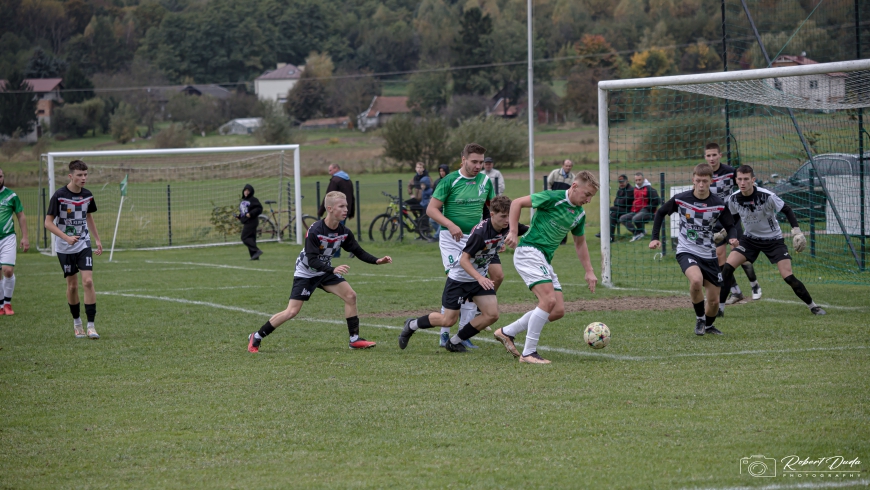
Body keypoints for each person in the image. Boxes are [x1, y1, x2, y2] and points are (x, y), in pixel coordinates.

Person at [247, 191, 393, 353]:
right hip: (306, 272)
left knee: (350, 296)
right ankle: (257, 336)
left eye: (346, 206)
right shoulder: (315, 230)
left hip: (324, 271)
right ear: (329, 208)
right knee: (292, 311)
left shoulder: (343, 232)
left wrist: (377, 260)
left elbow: (358, 251)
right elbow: (311, 260)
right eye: (342, 206)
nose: (346, 209)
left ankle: (354, 340)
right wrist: (332, 269)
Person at [399, 196, 528, 352]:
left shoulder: (509, 225)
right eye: (503, 216)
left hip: (477, 279)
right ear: (492, 214)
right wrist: (480, 277)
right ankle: (411, 324)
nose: (507, 220)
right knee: (448, 320)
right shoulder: (481, 234)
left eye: (509, 216)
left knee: (492, 315)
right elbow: (464, 261)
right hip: (460, 279)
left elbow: (529, 228)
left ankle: (455, 341)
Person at [497, 171, 600, 364]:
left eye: (591, 197)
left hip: (544, 258)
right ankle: (529, 353)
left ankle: (506, 332)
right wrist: (512, 232)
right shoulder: (553, 197)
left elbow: (580, 243)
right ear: (575, 187)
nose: (588, 200)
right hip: (529, 251)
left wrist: (589, 270)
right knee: (548, 300)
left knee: (557, 310)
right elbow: (517, 202)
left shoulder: (579, 214)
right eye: (587, 194)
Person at [720, 165, 826, 315]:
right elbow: (735, 216)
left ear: (753, 180)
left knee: (788, 277)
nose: (742, 182)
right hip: (749, 240)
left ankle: (813, 306)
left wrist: (797, 232)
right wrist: (727, 232)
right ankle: (719, 309)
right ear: (736, 180)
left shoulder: (766, 196)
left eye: (746, 179)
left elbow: (787, 210)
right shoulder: (734, 198)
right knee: (727, 269)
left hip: (773, 240)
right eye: (740, 179)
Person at [648, 163, 738, 336]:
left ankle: (709, 325)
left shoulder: (718, 204)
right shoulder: (681, 199)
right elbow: (660, 213)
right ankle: (700, 319)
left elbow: (730, 225)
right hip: (686, 250)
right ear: (693, 180)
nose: (701, 185)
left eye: (705, 181)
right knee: (696, 280)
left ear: (711, 181)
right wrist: (654, 238)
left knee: (713, 302)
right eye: (698, 181)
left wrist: (733, 237)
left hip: (709, 255)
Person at [427, 143, 497, 348]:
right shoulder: (450, 181)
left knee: (473, 282)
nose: (478, 166)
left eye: (481, 162)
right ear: (463, 160)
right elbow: (431, 210)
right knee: (455, 278)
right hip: (451, 239)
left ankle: (464, 332)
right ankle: (444, 332)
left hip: (475, 239)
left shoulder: (485, 180)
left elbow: (493, 209)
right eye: (474, 162)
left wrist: (497, 235)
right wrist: (450, 224)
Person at [44, 160, 103, 339]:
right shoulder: (59, 196)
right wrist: (66, 238)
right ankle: (77, 323)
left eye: (85, 174)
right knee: (72, 286)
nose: (83, 178)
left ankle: (91, 326)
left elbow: (88, 217)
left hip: (83, 243)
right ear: (71, 176)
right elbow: (48, 223)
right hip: (64, 247)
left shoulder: (87, 195)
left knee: (88, 282)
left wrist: (97, 239)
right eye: (79, 175)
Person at [704, 143, 761, 314]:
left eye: (714, 155)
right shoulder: (703, 174)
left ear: (720, 155)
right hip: (715, 220)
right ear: (705, 157)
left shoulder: (731, 171)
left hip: (731, 217)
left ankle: (754, 284)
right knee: (720, 258)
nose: (711, 158)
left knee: (739, 251)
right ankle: (735, 290)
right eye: (708, 155)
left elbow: (746, 184)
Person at [0, 168, 29, 315]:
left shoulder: (11, 195)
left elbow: (21, 216)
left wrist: (25, 237)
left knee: (8, 270)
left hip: (7, 237)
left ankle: (7, 303)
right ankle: (0, 306)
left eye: (0, 176)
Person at [318, 164, 355, 257]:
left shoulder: (335, 180)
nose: (329, 172)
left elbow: (328, 197)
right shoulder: (348, 180)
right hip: (346, 210)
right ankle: (351, 249)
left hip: (336, 211)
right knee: (340, 232)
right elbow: (352, 197)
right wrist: (351, 211)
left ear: (336, 169)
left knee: (336, 233)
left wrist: (321, 210)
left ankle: (337, 253)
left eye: (330, 170)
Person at [619, 172, 660, 242]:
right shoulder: (635, 189)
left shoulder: (649, 189)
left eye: (639, 180)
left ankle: (641, 232)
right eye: (636, 180)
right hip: (635, 211)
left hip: (648, 212)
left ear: (643, 179)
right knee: (622, 218)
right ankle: (637, 233)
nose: (638, 182)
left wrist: (647, 208)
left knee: (636, 218)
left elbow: (657, 201)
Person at [595, 174, 631, 242]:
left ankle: (602, 232)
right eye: (620, 182)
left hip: (628, 211)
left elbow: (623, 202)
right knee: (612, 215)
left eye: (623, 182)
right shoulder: (620, 190)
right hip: (619, 210)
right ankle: (611, 238)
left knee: (609, 209)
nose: (621, 184)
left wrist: (619, 201)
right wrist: (619, 201)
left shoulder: (630, 190)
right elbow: (616, 202)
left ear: (627, 181)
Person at [238, 184, 263, 260]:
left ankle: (257, 250)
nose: (246, 192)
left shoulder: (253, 200)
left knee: (244, 237)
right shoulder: (243, 201)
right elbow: (244, 212)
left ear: (251, 192)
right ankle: (255, 256)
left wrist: (251, 214)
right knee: (251, 238)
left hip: (252, 221)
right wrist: (239, 217)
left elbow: (259, 208)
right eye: (245, 190)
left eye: (248, 191)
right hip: (247, 221)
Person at [425, 164, 450, 240]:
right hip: (437, 207)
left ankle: (436, 237)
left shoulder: (451, 181)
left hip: (447, 207)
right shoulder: (437, 182)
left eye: (443, 171)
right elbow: (433, 194)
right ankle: (441, 235)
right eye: (440, 171)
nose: (442, 173)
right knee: (432, 220)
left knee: (442, 221)